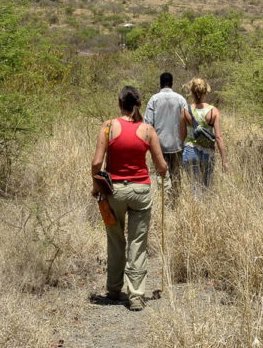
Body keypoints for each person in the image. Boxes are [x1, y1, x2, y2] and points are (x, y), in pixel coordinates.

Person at [91, 86, 167, 312]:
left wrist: (96, 185)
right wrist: (164, 175)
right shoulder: (147, 130)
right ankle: (135, 295)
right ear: (138, 104)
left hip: (114, 192)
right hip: (141, 192)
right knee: (137, 243)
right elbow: (161, 165)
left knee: (115, 240)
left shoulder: (107, 127)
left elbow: (96, 163)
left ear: (119, 103)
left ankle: (114, 289)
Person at [144, 72, 188, 201]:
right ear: (172, 83)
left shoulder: (154, 99)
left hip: (159, 145)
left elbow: (148, 124)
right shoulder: (181, 99)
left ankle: (165, 202)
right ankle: (175, 200)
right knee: (176, 174)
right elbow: (186, 120)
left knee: (161, 175)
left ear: (160, 83)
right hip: (177, 144)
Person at [180, 78, 228, 192]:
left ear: (191, 91)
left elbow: (182, 135)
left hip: (189, 151)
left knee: (194, 186)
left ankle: (196, 208)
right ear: (205, 91)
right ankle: (205, 208)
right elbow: (219, 137)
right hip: (208, 152)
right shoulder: (213, 111)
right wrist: (224, 160)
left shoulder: (185, 110)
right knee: (207, 187)